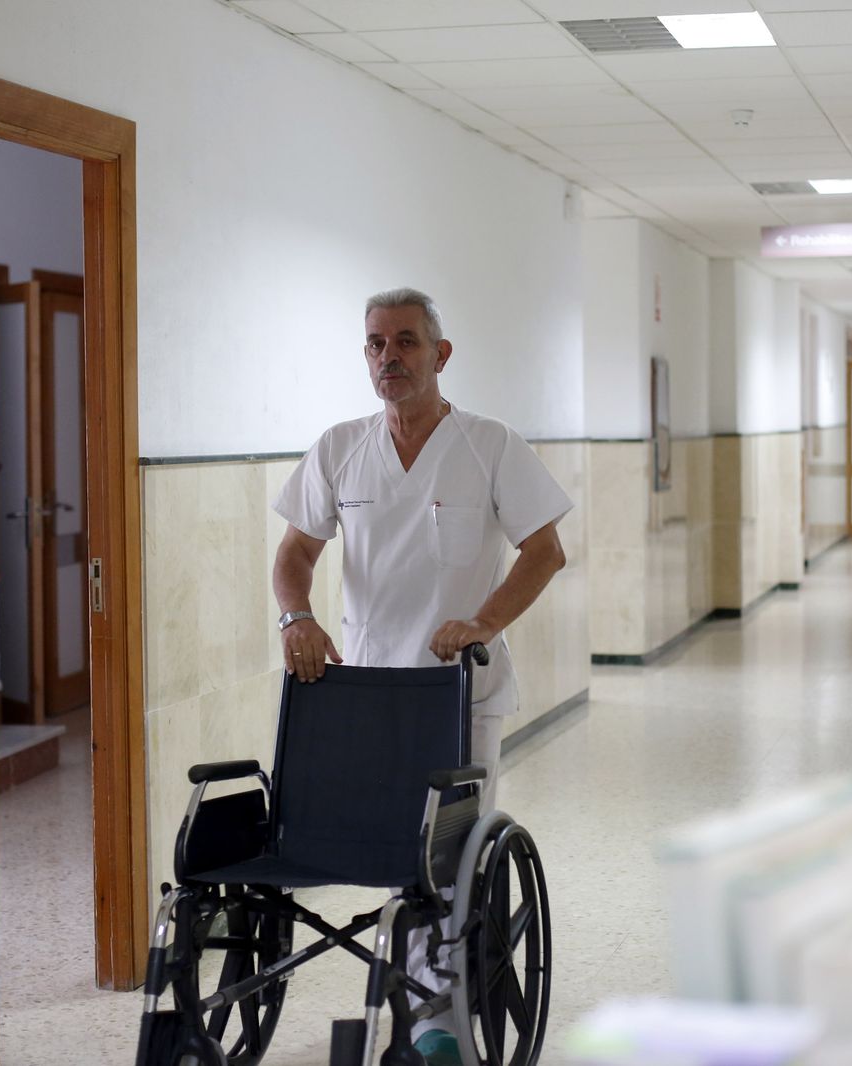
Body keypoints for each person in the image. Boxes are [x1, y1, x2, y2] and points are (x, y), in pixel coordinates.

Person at [271, 287, 571, 1064]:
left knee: (445, 858)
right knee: (390, 851)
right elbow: (295, 555)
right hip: (371, 696)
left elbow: (544, 551)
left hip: (459, 692)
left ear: (440, 355)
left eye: (404, 342)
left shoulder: (489, 445)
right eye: (375, 344)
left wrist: (484, 623)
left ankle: (436, 1018)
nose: (388, 357)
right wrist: (295, 617)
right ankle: (416, 993)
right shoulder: (341, 447)